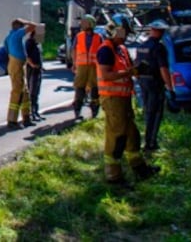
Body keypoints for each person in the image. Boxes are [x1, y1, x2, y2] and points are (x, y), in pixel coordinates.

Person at [96, 26, 159, 184]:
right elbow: (106, 75)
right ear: (113, 34)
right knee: (117, 136)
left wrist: (138, 70)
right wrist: (129, 72)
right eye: (122, 35)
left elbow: (128, 69)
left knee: (132, 134)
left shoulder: (121, 49)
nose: (124, 38)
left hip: (123, 98)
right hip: (112, 99)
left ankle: (140, 169)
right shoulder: (105, 51)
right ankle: (114, 176)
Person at [135, 19, 172, 151]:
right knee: (156, 113)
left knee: (147, 112)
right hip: (155, 83)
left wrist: (140, 82)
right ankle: (151, 143)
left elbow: (136, 67)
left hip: (143, 83)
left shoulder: (141, 46)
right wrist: (170, 87)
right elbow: (163, 69)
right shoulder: (159, 47)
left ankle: (147, 140)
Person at [4, 18, 37, 129]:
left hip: (16, 64)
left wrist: (29, 63)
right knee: (17, 91)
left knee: (24, 92)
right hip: (16, 65)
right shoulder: (17, 34)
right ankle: (12, 121)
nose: (24, 28)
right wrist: (26, 22)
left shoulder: (10, 36)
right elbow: (33, 26)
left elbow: (12, 50)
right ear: (18, 26)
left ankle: (26, 118)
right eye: (22, 26)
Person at [71, 15, 102, 119]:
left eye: (84, 22)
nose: (82, 24)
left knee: (95, 90)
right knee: (79, 88)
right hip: (82, 66)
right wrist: (74, 64)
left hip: (94, 67)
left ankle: (94, 112)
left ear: (91, 24)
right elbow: (74, 50)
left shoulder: (98, 37)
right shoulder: (79, 36)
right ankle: (77, 111)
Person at [25, 27, 44, 121]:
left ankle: (36, 111)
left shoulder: (37, 44)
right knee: (32, 92)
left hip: (38, 70)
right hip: (32, 71)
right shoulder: (29, 43)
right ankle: (32, 113)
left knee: (36, 92)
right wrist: (32, 65)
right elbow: (27, 56)